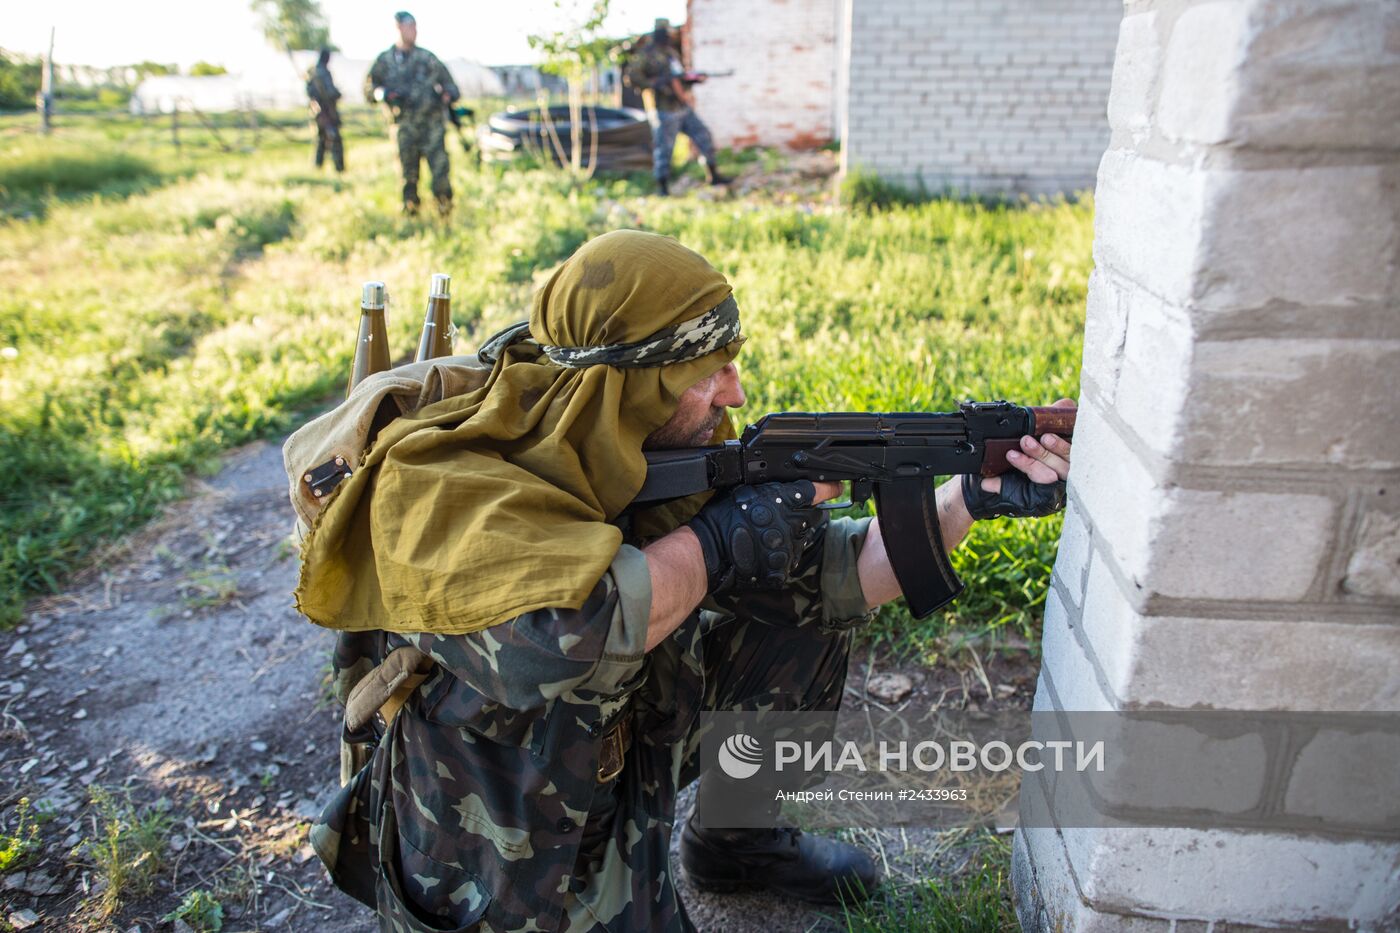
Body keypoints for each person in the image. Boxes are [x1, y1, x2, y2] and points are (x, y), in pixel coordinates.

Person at [298, 230, 1075, 932]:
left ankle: (739, 846)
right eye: (710, 373)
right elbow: (559, 640)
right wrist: (713, 543)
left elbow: (833, 576)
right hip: (506, 854)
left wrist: (968, 497)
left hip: (618, 757)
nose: (734, 393)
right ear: (633, 384)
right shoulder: (440, 487)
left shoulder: (650, 444)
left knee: (794, 609)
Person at [365, 10, 459, 217]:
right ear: (398, 28)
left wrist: (446, 95)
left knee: (440, 174)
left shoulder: (427, 58)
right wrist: (384, 94)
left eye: (415, 27)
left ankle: (445, 213)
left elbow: (452, 88)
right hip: (404, 128)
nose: (414, 32)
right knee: (408, 176)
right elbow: (369, 90)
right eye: (410, 27)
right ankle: (411, 215)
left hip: (432, 127)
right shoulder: (385, 60)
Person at [624, 18, 729, 196]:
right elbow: (632, 77)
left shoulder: (671, 53)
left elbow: (679, 79)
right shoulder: (646, 54)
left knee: (703, 135)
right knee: (664, 149)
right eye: (666, 33)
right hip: (663, 110)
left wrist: (693, 81)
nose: (669, 36)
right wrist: (654, 83)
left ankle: (713, 176)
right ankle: (662, 188)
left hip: (681, 106)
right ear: (658, 33)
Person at [306, 48, 344, 173]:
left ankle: (318, 166)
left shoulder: (312, 71)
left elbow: (309, 91)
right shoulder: (322, 72)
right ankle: (339, 168)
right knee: (334, 139)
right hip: (326, 111)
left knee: (321, 139)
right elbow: (330, 92)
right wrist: (338, 94)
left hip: (316, 112)